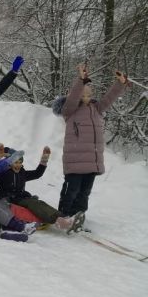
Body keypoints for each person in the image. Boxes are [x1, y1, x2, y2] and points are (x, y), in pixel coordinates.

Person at [55, 64, 128, 217]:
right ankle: (63, 215)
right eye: (82, 96)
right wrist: (81, 80)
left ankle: (78, 216)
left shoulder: (96, 108)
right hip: (75, 161)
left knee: (84, 193)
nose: (86, 98)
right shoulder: (70, 110)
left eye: (89, 95)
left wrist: (120, 83)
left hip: (92, 161)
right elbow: (74, 96)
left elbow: (109, 98)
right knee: (72, 190)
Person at [0, 144, 84, 232]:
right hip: (9, 200)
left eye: (20, 162)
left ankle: (62, 218)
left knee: (39, 203)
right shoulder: (3, 174)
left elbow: (37, 173)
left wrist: (44, 159)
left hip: (21, 198)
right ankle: (61, 222)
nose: (18, 165)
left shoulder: (22, 173)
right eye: (15, 162)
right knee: (33, 203)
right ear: (9, 163)